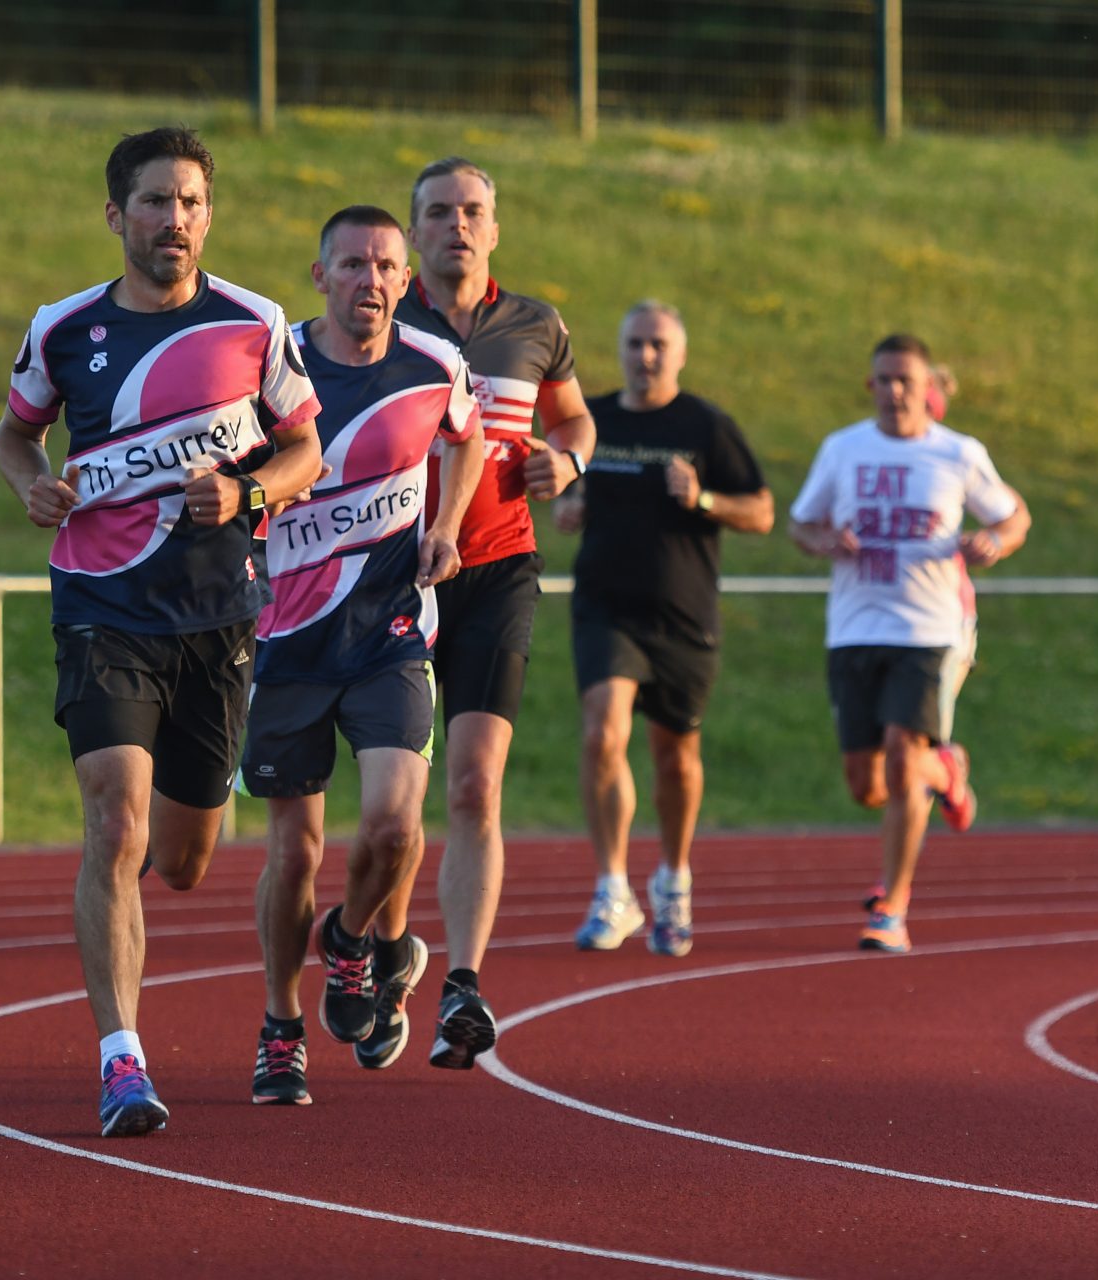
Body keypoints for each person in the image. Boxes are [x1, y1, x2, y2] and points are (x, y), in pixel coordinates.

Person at [0, 126, 325, 1136]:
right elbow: (15, 434)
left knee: (181, 859)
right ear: (115, 216)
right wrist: (31, 487)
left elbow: (306, 448)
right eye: (153, 201)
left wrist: (250, 492)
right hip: (101, 606)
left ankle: (125, 894)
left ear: (207, 217)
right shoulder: (63, 328)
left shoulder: (256, 323)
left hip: (216, 617)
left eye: (189, 202)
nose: (173, 219)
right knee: (115, 820)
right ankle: (122, 1061)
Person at [239, 205, 483, 1104]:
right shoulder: (272, 372)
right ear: (321, 277)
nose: (371, 281)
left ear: (403, 279)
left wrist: (446, 526)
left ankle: (349, 942)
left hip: (390, 636)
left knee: (393, 828)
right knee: (295, 853)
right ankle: (280, 1028)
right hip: (287, 644)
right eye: (352, 265)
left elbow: (469, 435)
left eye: (385, 266)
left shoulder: (435, 364)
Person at [393, 157, 595, 1068]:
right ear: (414, 233)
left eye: (473, 211)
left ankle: (463, 984)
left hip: (500, 569)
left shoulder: (536, 324)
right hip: (392, 574)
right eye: (439, 212)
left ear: (496, 229)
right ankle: (384, 949)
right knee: (396, 799)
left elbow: (575, 421)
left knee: (475, 785)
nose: (458, 226)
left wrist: (570, 460)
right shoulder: (383, 322)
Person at [787, 334, 1029, 955]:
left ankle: (892, 909)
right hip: (854, 628)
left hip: (930, 629)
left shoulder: (958, 453)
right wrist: (823, 541)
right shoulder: (842, 449)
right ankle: (945, 770)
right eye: (884, 380)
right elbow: (801, 523)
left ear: (928, 389)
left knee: (901, 756)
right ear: (870, 386)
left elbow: (1014, 517)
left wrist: (994, 542)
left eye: (906, 381)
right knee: (866, 785)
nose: (895, 391)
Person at [552, 301, 772, 956]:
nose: (645, 356)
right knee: (603, 732)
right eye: (635, 343)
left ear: (679, 355)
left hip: (683, 616)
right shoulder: (593, 419)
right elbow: (560, 482)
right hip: (606, 608)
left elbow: (761, 512)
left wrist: (703, 498)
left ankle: (673, 880)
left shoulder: (705, 425)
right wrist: (569, 503)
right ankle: (612, 888)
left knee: (676, 759)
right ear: (619, 349)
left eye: (658, 345)